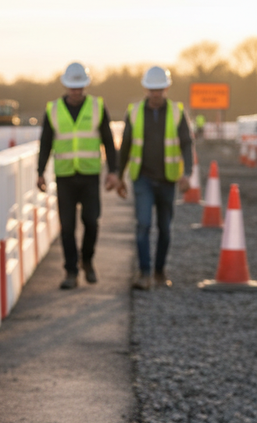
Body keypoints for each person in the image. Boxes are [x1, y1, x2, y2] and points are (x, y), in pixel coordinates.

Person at [37, 61, 119, 289]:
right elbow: (45, 142)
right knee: (67, 226)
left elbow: (109, 141)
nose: (76, 91)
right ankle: (71, 271)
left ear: (85, 86)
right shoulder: (53, 109)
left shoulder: (97, 106)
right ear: (66, 86)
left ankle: (88, 261)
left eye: (80, 87)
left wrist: (113, 171)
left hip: (90, 174)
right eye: (73, 87)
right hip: (64, 176)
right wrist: (40, 172)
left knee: (91, 222)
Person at [113, 66, 194, 290]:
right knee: (143, 225)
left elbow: (187, 143)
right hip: (143, 178)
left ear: (166, 88)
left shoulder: (177, 112)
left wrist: (187, 174)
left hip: (168, 179)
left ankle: (159, 271)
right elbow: (126, 145)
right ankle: (145, 273)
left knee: (165, 229)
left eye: (159, 89)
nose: (155, 94)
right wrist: (119, 176)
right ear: (146, 89)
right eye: (151, 89)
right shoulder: (135, 111)